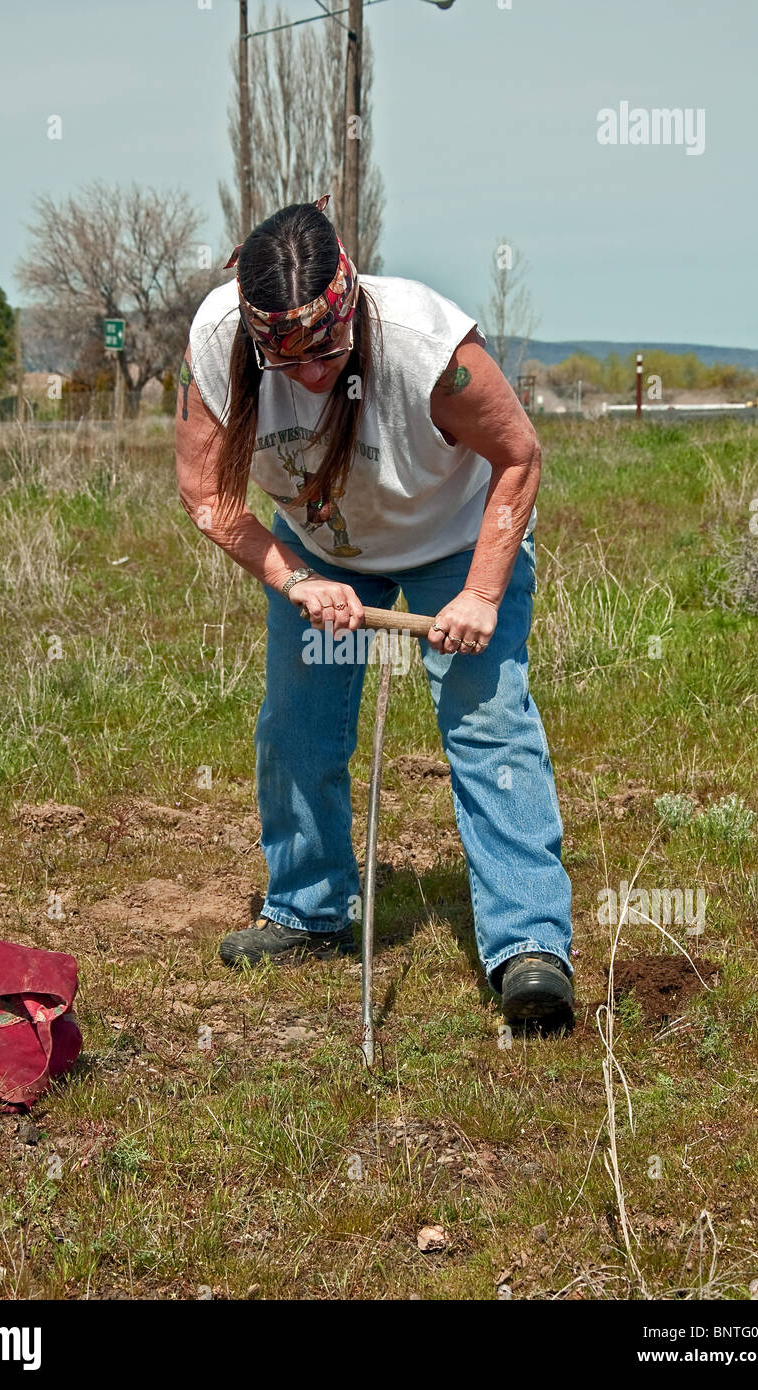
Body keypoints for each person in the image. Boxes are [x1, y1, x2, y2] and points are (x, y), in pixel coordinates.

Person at [176, 195, 573, 1028]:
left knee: (487, 724)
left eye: (327, 351)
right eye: (292, 363)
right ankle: (310, 910)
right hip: (322, 549)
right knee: (297, 727)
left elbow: (520, 455)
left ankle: (529, 946)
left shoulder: (430, 347)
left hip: (456, 541)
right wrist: (294, 581)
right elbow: (208, 497)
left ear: (349, 297)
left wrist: (483, 591)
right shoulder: (219, 345)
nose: (315, 375)